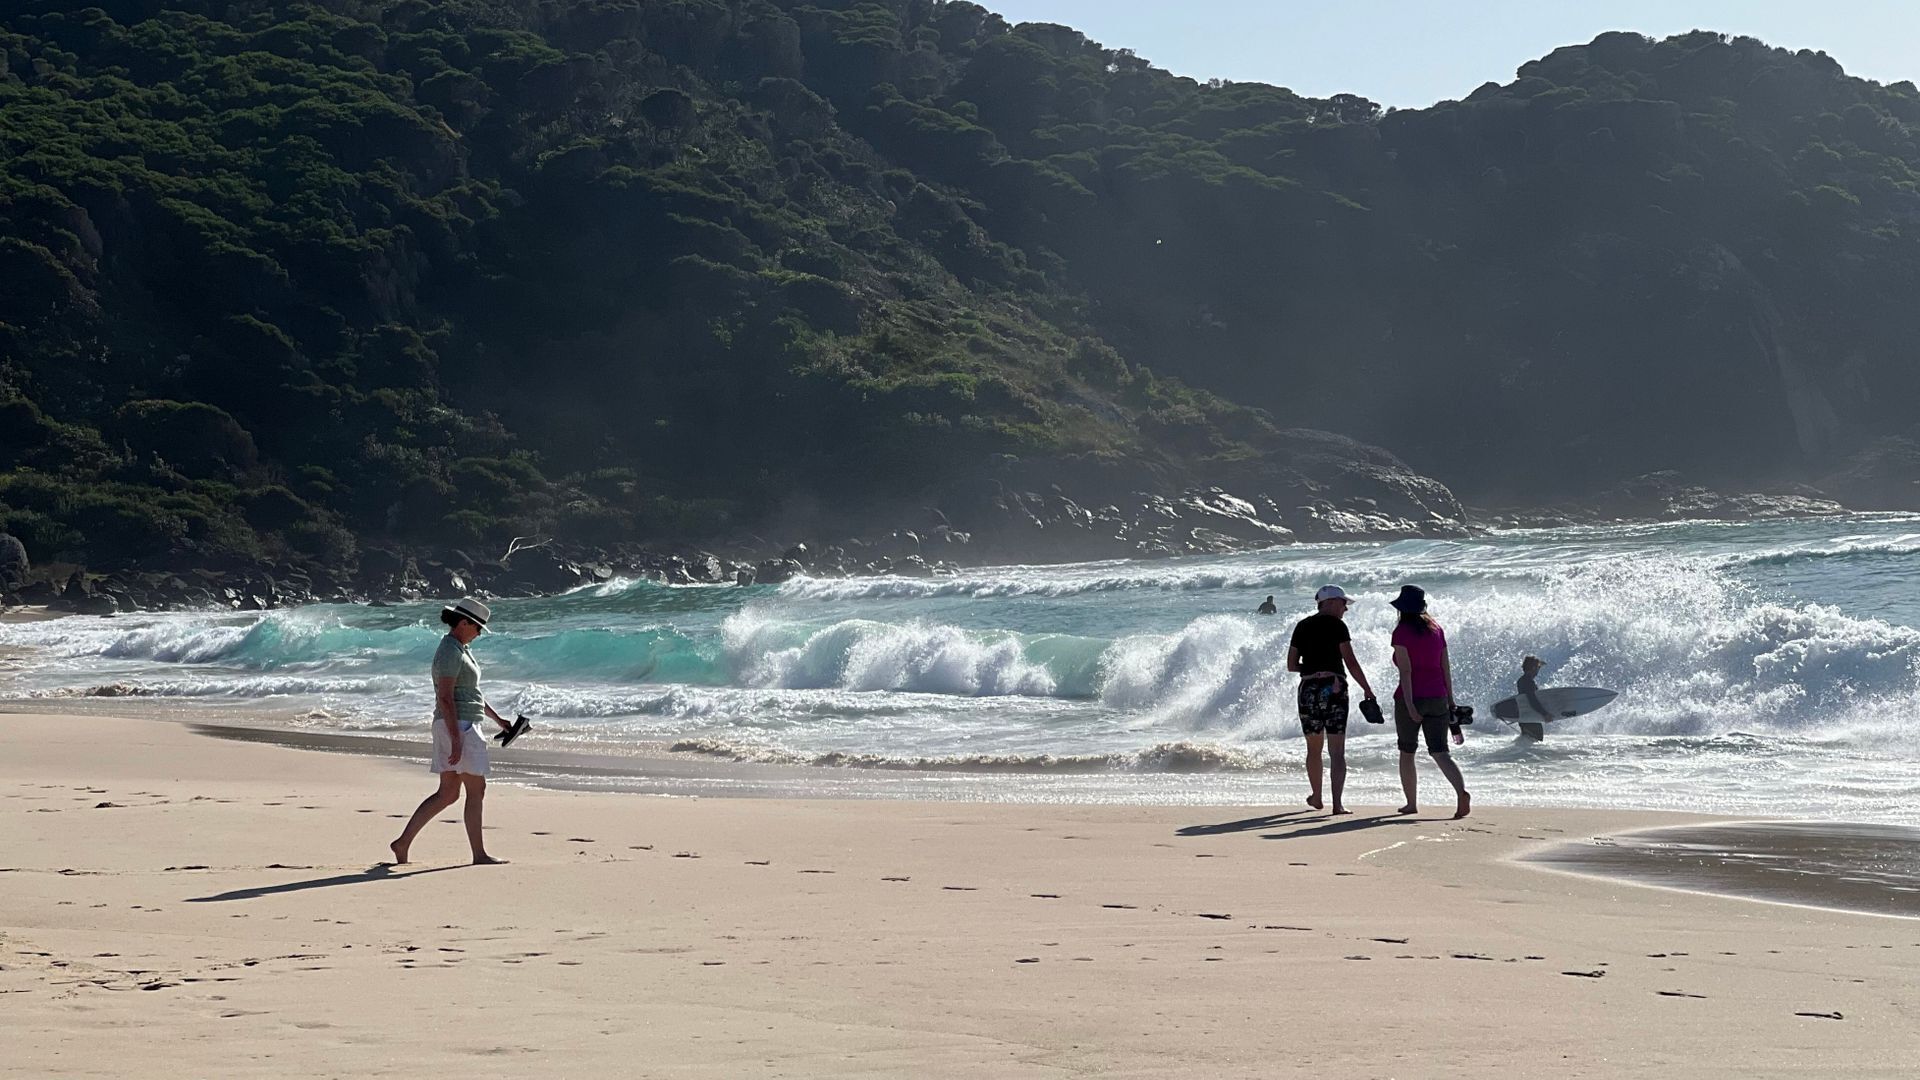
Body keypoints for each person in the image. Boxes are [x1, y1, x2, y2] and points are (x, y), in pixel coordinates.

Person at [389, 598, 520, 865]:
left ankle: (402, 843)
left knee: (448, 793)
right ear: (464, 623)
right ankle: (479, 854)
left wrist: (498, 720)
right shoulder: (450, 651)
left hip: (460, 722)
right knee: (476, 789)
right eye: (478, 627)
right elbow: (446, 698)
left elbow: (470, 694)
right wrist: (457, 738)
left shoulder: (460, 648)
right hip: (458, 725)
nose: (479, 633)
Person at [1286, 584, 1376, 815]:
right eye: (1343, 603)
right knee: (1337, 751)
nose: (1346, 608)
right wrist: (1367, 688)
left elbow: (1291, 665)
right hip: (1334, 689)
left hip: (1308, 689)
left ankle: (1317, 796)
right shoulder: (1338, 626)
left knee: (1313, 749)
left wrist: (1313, 669)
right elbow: (1351, 662)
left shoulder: (1302, 626)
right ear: (1331, 602)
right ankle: (1337, 805)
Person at [1389, 585, 1470, 819]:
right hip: (1438, 697)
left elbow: (1406, 672)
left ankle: (1411, 803)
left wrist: (1411, 705)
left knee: (1407, 751)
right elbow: (1445, 666)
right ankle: (1461, 793)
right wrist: (1451, 699)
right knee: (1440, 751)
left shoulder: (1401, 632)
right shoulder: (1437, 629)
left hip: (1411, 698)